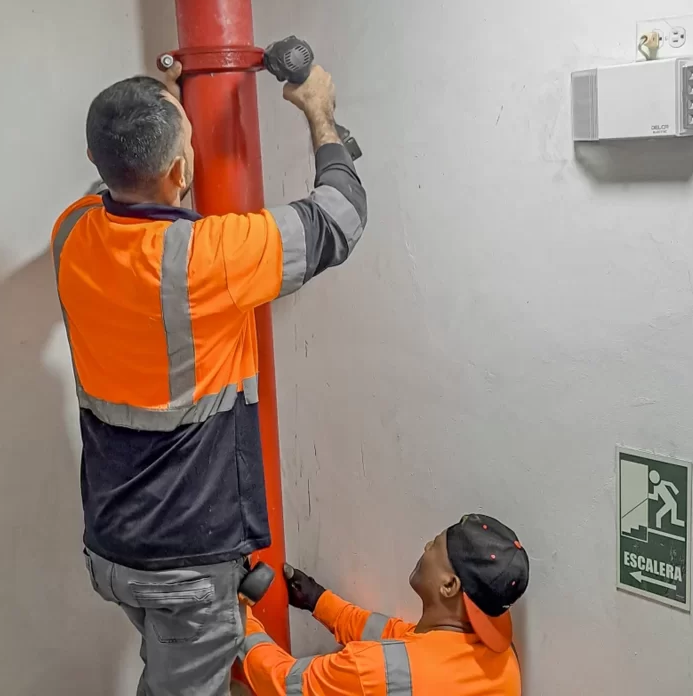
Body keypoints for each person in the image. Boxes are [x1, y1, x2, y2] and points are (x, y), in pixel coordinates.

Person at [51, 60, 366, 696]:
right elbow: (340, 216)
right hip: (185, 563)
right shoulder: (208, 258)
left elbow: (120, 177)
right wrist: (320, 110)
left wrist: (157, 111)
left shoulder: (73, 231)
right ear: (179, 171)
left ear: (94, 157)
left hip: (113, 546)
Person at [240, 514, 529, 695]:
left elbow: (281, 682)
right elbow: (395, 637)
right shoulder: (505, 660)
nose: (426, 547)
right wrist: (318, 600)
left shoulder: (372, 669)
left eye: (435, 545)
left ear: (449, 585)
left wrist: (238, 614)